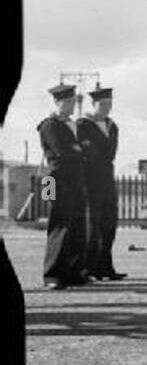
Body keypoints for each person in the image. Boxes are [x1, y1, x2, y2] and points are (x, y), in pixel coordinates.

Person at [36, 84, 89, 289]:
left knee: (77, 226)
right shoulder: (50, 125)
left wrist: (79, 150)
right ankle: (52, 274)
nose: (71, 106)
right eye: (67, 102)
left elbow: (81, 148)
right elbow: (63, 150)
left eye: (73, 102)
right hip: (57, 178)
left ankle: (73, 271)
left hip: (76, 178)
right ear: (57, 102)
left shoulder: (72, 124)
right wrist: (79, 150)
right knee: (60, 225)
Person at [76, 86, 126, 280]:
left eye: (109, 104)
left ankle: (105, 267)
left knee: (108, 224)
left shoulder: (112, 126)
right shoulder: (83, 125)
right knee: (91, 225)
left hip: (107, 177)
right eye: (102, 104)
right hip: (90, 179)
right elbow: (89, 152)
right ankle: (87, 268)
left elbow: (110, 153)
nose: (106, 108)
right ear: (93, 105)